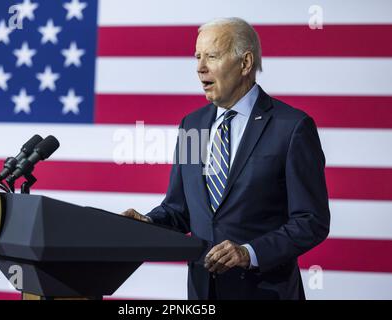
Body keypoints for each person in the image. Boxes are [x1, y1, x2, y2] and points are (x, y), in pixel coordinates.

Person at [122, 17, 330, 300]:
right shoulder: (191, 125)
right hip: (202, 293)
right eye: (197, 57)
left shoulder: (291, 127)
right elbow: (178, 210)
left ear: (245, 63)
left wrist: (249, 253)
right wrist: (148, 223)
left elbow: (311, 220)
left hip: (266, 293)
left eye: (212, 56)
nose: (200, 68)